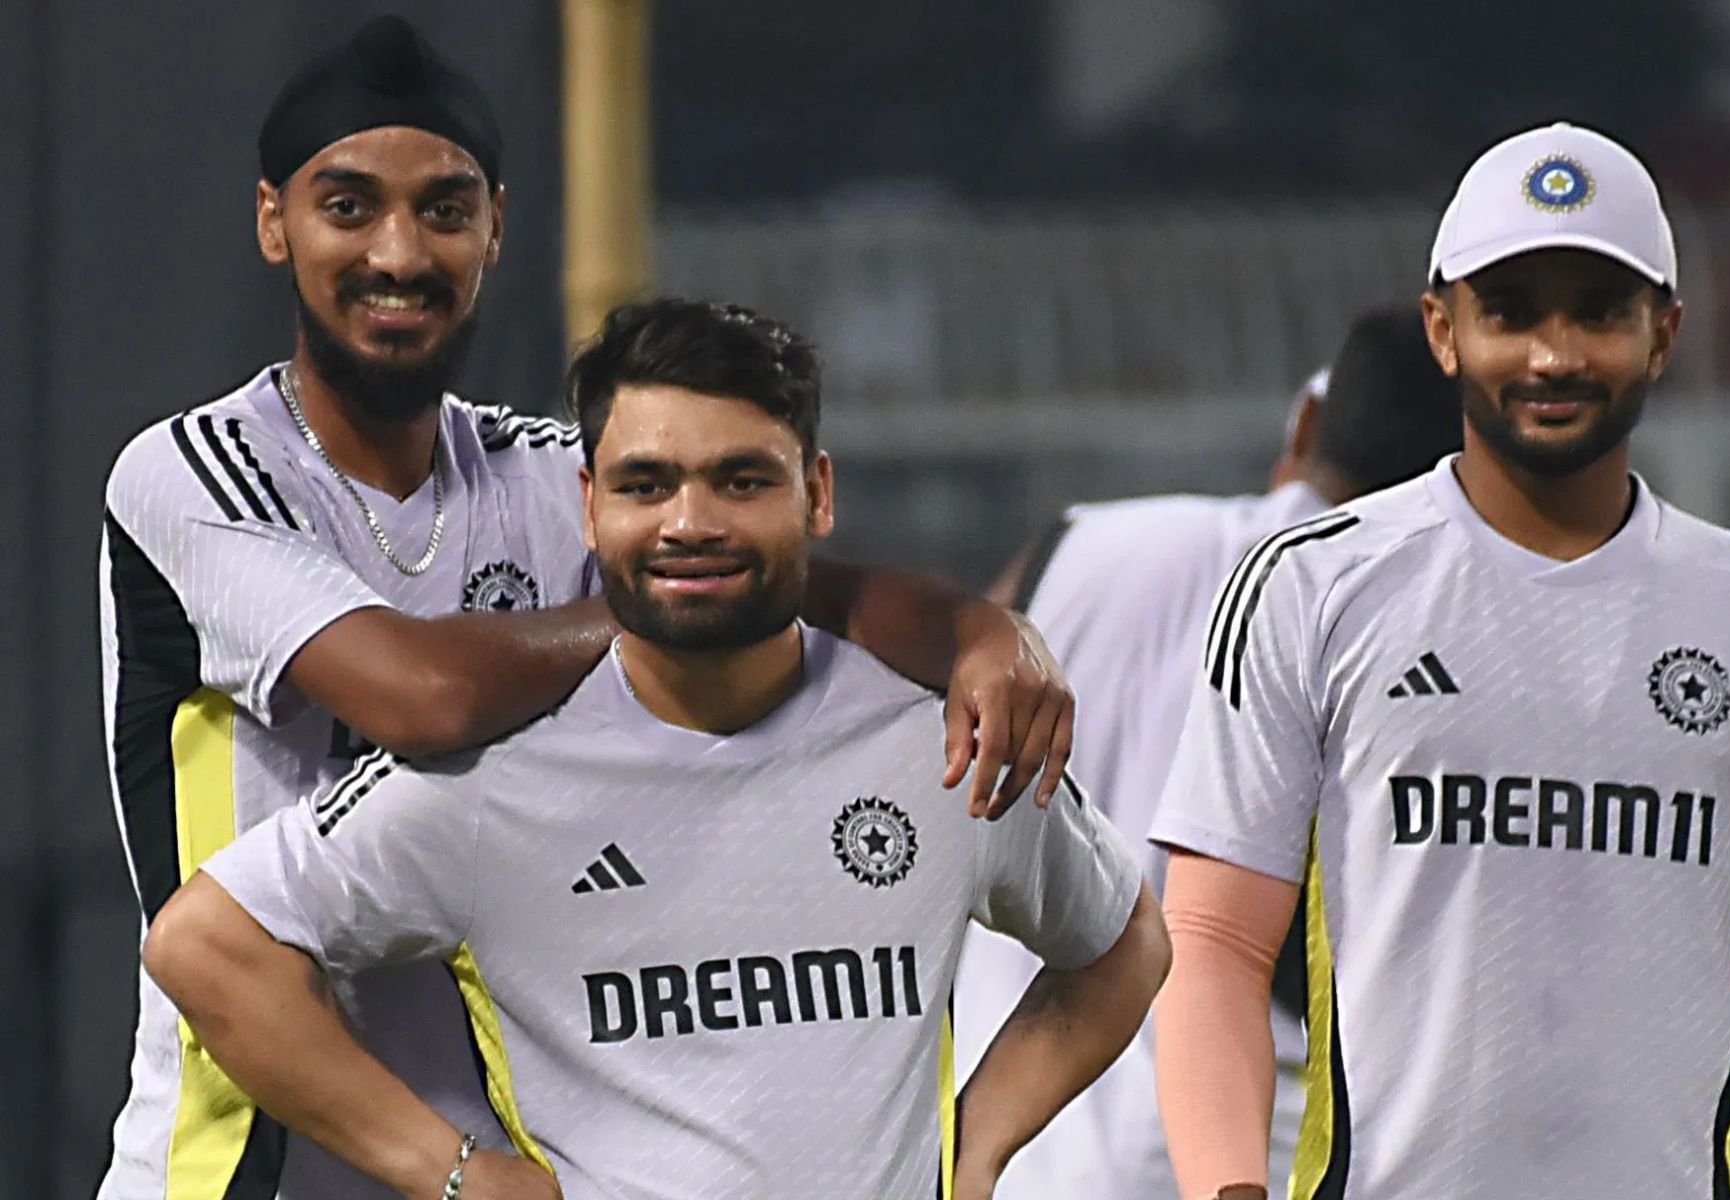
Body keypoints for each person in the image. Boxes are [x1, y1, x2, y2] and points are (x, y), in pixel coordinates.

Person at [98, 18, 1076, 1200]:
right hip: (257, 1154)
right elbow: (424, 696)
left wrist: (981, 634)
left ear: (496, 226)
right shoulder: (196, 468)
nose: (401, 252)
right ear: (273, 221)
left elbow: (774, 575)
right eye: (347, 206)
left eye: (446, 210)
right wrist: (686, 599)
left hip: (512, 1159)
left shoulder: (538, 470)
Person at [140, 297, 1173, 1200]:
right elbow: (208, 946)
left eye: (739, 481)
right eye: (646, 485)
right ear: (587, 505)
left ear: (815, 493)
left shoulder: (935, 737)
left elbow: (1125, 943)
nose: (691, 521)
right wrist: (452, 1172)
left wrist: (978, 1145)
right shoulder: (499, 775)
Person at [1151, 121, 1730, 1200]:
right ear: (1442, 331)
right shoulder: (1313, 585)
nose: (1554, 354)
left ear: (1663, 334)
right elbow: (1214, 936)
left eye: (1598, 311)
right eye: (1511, 313)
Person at [955, 309, 1464, 1200]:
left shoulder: (1078, 543)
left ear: (1306, 428)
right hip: (1243, 1160)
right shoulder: (1423, 628)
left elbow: (943, 771)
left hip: (1020, 1150)